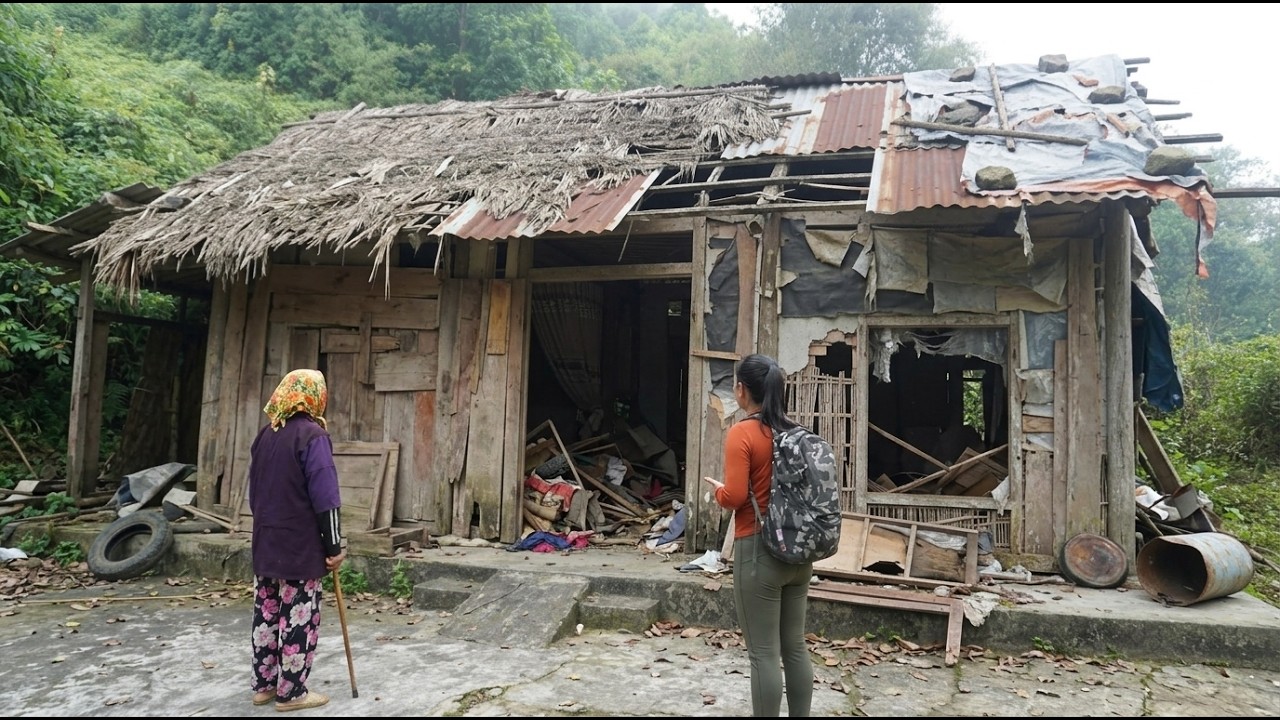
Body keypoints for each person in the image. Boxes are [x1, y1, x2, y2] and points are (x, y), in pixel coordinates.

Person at [703, 353, 813, 717]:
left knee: (763, 653)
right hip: (799, 552)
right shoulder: (795, 433)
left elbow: (735, 497)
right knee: (794, 647)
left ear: (741, 390)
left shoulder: (743, 433)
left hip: (758, 552)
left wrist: (719, 492)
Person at [247, 369, 345, 711]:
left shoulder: (266, 435)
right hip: (299, 546)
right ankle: (291, 693)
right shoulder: (313, 435)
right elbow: (326, 498)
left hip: (266, 541)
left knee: (267, 613)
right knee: (298, 615)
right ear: (315, 397)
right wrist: (334, 548)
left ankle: (264, 686)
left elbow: (254, 493)